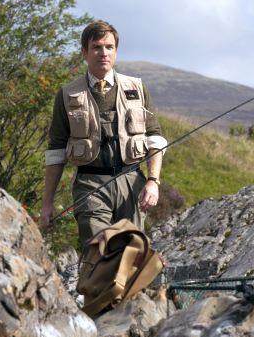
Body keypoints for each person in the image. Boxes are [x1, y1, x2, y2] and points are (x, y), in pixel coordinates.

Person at [39, 20, 167, 243]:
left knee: (131, 252)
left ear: (116, 51)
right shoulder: (67, 94)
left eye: (109, 47)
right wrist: (47, 203)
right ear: (84, 52)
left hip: (132, 183)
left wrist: (153, 182)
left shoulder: (137, 88)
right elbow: (56, 151)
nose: (103, 53)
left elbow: (154, 138)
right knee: (98, 250)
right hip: (89, 185)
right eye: (96, 47)